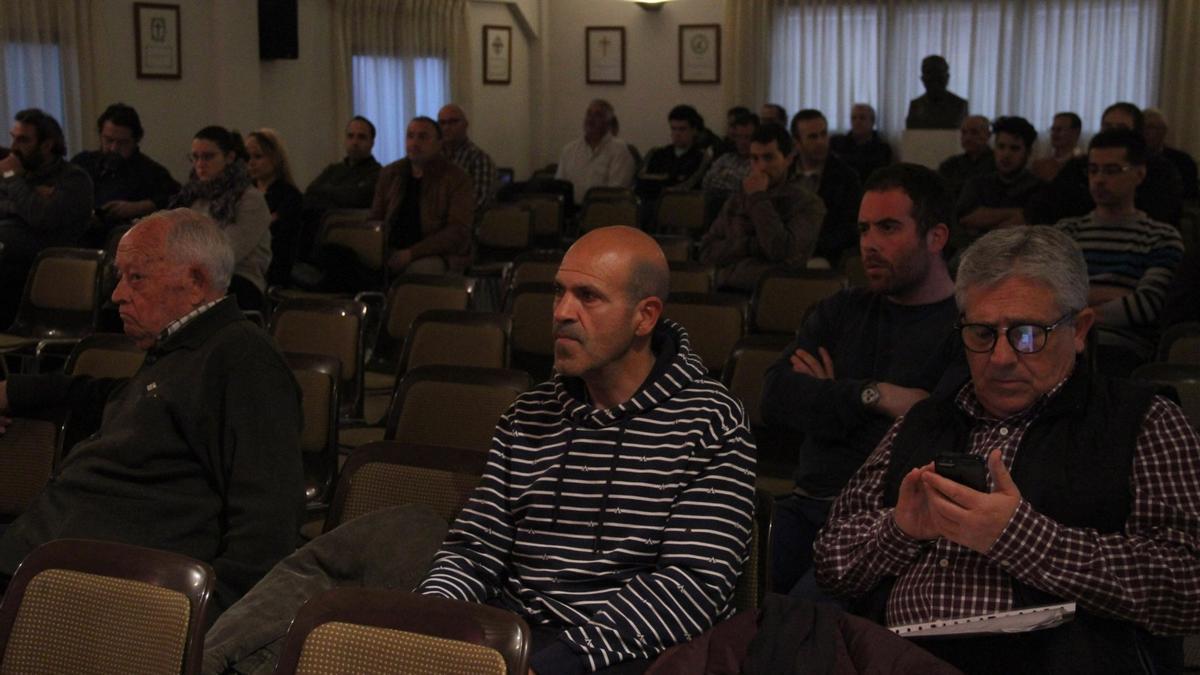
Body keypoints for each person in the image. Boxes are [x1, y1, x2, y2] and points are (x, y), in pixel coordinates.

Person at [813, 225, 1200, 675]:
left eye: (1028, 334)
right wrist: (899, 529)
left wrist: (1021, 538)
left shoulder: (1143, 420)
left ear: (1079, 330)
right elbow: (830, 561)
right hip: (900, 659)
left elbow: (1188, 587)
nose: (1000, 357)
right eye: (981, 333)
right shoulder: (923, 421)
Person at [417, 226, 756, 674]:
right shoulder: (528, 414)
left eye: (587, 297)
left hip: (632, 651)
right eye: (558, 293)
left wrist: (558, 663)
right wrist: (429, 628)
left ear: (645, 316)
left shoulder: (710, 421)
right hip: (517, 637)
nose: (561, 312)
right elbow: (475, 549)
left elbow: (690, 585)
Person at [0, 209, 303, 615]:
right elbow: (118, 398)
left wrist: (195, 623)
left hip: (101, 589)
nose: (117, 294)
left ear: (195, 282)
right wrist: (11, 392)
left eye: (135, 277)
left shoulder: (242, 358)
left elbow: (268, 522)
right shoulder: (184, 348)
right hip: (45, 558)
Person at [762, 163, 962, 595]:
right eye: (864, 229)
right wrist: (875, 397)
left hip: (884, 523)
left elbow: (931, 431)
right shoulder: (841, 309)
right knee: (709, 594)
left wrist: (827, 399)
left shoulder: (967, 328)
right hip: (805, 505)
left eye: (888, 228)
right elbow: (776, 396)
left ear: (936, 237)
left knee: (797, 624)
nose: (869, 244)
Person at [1054, 129, 1184, 375]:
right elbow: (1048, 295)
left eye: (1112, 170)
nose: (1099, 179)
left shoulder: (1161, 236)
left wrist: (1079, 302)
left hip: (1120, 346)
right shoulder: (1067, 231)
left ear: (1139, 173)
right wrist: (1116, 293)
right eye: (1093, 170)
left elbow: (1145, 306)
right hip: (1061, 340)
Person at [699, 123, 825, 292]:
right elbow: (707, 252)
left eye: (769, 157)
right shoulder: (738, 198)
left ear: (788, 159)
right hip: (725, 287)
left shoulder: (807, 203)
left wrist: (758, 198)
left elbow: (779, 250)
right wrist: (751, 246)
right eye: (755, 158)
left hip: (773, 293)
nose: (761, 166)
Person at [0, 108, 94, 327]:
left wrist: (13, 179)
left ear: (47, 145)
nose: (14, 148)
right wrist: (24, 202)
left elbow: (41, 217)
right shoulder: (24, 175)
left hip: (44, 270)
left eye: (23, 140)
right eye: (14, 138)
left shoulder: (73, 179)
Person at [1026, 102, 1184, 227]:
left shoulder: (1161, 171)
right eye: (1107, 127)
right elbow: (1045, 206)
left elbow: (1165, 215)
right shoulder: (1078, 166)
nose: (1112, 134)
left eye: (1121, 129)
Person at [169, 126, 272, 312]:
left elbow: (226, 254)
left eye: (208, 157)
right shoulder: (192, 196)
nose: (200, 163)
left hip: (238, 279)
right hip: (191, 274)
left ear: (230, 157)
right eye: (195, 157)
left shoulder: (249, 199)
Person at [371, 116, 473, 275]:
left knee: (418, 272)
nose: (414, 143)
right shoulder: (391, 173)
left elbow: (457, 231)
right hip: (392, 248)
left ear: (439, 143)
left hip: (435, 252)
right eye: (410, 136)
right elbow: (376, 218)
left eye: (423, 137)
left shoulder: (456, 178)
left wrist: (412, 253)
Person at [70, 102, 180, 239]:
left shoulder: (150, 171)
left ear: (136, 140)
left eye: (122, 142)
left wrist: (139, 207)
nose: (113, 148)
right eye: (108, 140)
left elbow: (177, 198)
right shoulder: (83, 162)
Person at [953, 115, 1042, 253]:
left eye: (1014, 148)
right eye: (1001, 147)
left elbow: (1023, 225)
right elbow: (965, 218)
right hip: (973, 253)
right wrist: (1014, 212)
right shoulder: (978, 183)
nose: (1006, 154)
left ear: (1028, 152)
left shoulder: (1038, 187)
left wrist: (984, 220)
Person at [298, 116, 382, 261]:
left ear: (371, 142)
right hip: (318, 229)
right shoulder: (333, 169)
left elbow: (356, 198)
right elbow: (311, 191)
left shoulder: (378, 173)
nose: (355, 142)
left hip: (351, 235)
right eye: (350, 136)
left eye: (361, 137)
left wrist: (328, 190)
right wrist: (341, 193)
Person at [790, 109, 863, 266]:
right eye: (812, 137)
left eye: (823, 134)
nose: (820, 141)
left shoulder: (846, 176)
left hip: (824, 253)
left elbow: (850, 226)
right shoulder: (784, 172)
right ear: (797, 142)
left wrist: (813, 246)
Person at [245, 129, 303, 288]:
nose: (251, 163)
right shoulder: (243, 193)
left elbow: (283, 244)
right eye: (247, 157)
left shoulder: (289, 196)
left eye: (258, 157)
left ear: (275, 158)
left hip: (274, 265)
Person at [555, 100, 637, 204]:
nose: (591, 119)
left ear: (609, 122)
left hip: (604, 213)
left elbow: (616, 193)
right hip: (570, 213)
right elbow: (559, 187)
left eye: (598, 115)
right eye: (589, 114)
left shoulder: (620, 151)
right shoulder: (569, 150)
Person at [635, 105, 710, 215]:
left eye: (682, 129)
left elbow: (690, 185)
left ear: (694, 130)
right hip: (650, 202)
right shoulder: (658, 154)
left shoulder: (700, 157)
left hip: (681, 206)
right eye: (673, 129)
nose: (677, 134)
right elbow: (642, 181)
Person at [437, 103, 498, 213]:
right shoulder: (433, 157)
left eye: (453, 122)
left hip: (465, 225)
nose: (446, 127)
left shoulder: (479, 159)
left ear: (465, 125)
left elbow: (479, 202)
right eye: (442, 123)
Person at [701, 111, 758, 223]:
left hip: (742, 215)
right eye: (739, 137)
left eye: (747, 137)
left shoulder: (759, 163)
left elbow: (745, 189)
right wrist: (734, 180)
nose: (742, 142)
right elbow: (707, 182)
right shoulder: (726, 158)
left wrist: (725, 176)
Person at [1143, 108, 1199, 201]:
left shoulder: (1183, 161)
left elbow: (1191, 198)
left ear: (1163, 131)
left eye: (1151, 127)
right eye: (1142, 127)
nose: (1145, 132)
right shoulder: (1132, 159)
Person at [830, 103, 893, 183]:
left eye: (862, 118)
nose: (857, 122)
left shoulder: (882, 148)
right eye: (854, 118)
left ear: (872, 121)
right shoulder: (837, 143)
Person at [937, 115, 994, 200]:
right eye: (964, 132)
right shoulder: (950, 165)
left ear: (988, 135)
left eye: (974, 132)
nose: (968, 137)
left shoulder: (998, 163)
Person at [905, 55, 969, 130]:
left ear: (947, 78)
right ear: (922, 79)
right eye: (930, 74)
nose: (934, 79)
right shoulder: (915, 106)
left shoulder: (960, 105)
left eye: (939, 74)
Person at [1029, 112, 1082, 182]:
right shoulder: (1039, 165)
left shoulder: (1082, 164)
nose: (1054, 134)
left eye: (1059, 130)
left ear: (1076, 132)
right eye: (1053, 129)